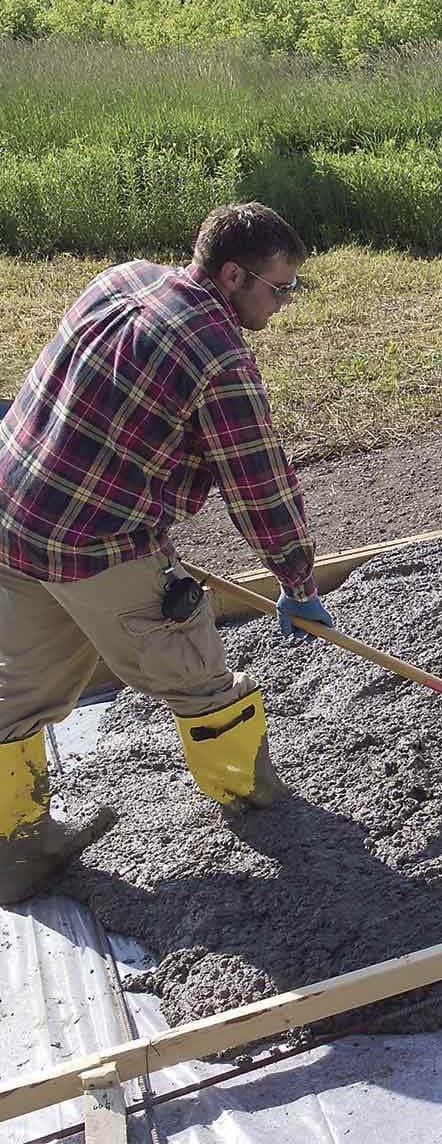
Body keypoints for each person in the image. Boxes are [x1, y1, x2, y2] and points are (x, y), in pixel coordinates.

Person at [0, 201, 334, 906]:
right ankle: (260, 807)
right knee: (196, 675)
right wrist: (298, 581)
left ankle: (16, 847)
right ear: (234, 273)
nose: (283, 306)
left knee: (17, 692)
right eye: (278, 289)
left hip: (14, 514)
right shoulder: (218, 354)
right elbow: (260, 485)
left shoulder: (120, 281)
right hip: (97, 539)